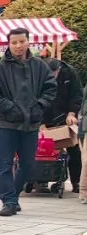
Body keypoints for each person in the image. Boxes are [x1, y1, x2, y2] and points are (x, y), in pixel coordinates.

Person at [0, 28, 57, 217]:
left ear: (28, 42)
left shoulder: (40, 66)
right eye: (14, 42)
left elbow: (50, 88)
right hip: (6, 124)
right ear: (8, 44)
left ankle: (13, 196)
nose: (18, 46)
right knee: (5, 164)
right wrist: (10, 108)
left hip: (31, 123)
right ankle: (8, 201)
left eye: (21, 41)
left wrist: (39, 107)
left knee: (28, 164)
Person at [43, 56, 83, 195]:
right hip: (46, 114)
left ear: (59, 69)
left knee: (74, 149)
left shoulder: (70, 73)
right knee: (43, 149)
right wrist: (40, 122)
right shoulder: (38, 73)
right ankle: (40, 180)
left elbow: (76, 95)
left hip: (66, 115)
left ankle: (76, 182)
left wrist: (72, 113)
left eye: (53, 74)